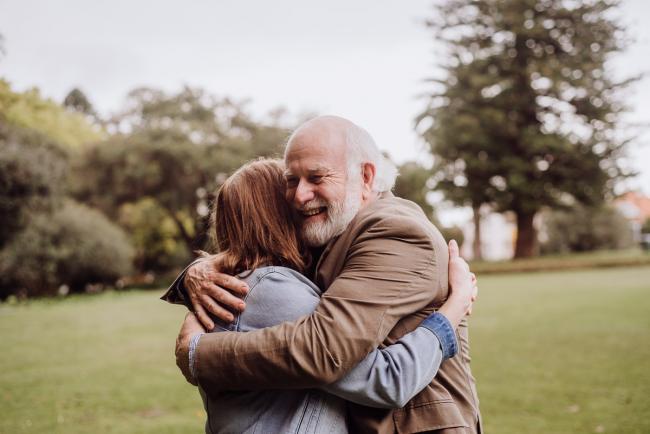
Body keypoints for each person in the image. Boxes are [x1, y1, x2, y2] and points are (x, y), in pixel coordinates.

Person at [168, 115, 482, 433]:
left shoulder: (392, 231)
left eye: (316, 177)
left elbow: (325, 350)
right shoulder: (328, 232)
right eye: (290, 182)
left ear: (365, 176)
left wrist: (198, 354)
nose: (299, 196)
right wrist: (196, 271)